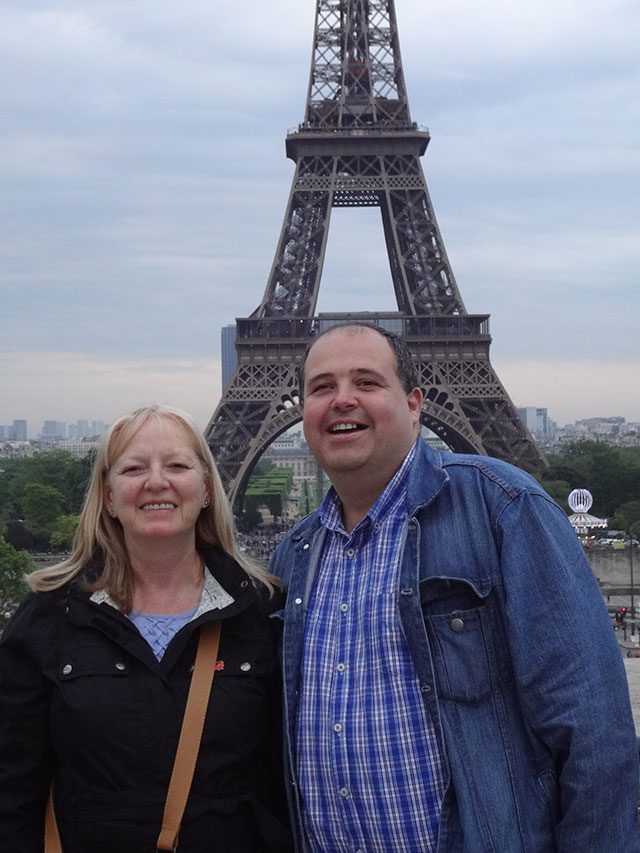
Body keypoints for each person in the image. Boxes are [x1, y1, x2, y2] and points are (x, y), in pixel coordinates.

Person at [269, 323, 640, 851]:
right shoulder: (295, 554)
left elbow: (594, 733)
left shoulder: (503, 509)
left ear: (415, 403)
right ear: (301, 408)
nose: (342, 399)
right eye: (321, 387)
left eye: (367, 382)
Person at [0, 404, 292, 852]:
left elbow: (281, 774)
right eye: (135, 468)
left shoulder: (261, 612)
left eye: (177, 465)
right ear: (109, 495)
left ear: (208, 489)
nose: (157, 481)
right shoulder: (47, 617)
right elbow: (13, 785)